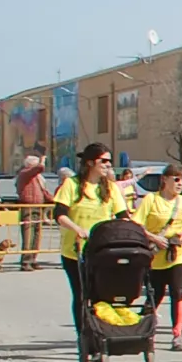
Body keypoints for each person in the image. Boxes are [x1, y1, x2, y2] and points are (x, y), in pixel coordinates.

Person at [52, 144, 129, 345]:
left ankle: (100, 333)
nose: (108, 165)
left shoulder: (110, 187)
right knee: (81, 294)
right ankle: (84, 337)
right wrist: (77, 229)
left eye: (109, 161)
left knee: (100, 294)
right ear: (90, 162)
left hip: (102, 250)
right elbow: (59, 214)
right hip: (75, 250)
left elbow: (123, 216)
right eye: (104, 161)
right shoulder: (72, 184)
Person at [134, 163, 182, 351]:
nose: (180, 184)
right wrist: (154, 238)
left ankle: (177, 335)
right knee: (156, 293)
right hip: (156, 253)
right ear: (164, 180)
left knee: (178, 291)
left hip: (179, 252)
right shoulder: (151, 199)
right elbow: (137, 224)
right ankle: (144, 330)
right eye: (176, 179)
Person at [16, 154, 49, 270]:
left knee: (37, 235)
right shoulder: (24, 174)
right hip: (28, 207)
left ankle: (33, 259)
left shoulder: (38, 178)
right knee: (28, 235)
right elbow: (39, 168)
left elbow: (44, 193)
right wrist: (42, 161)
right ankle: (25, 261)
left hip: (38, 207)